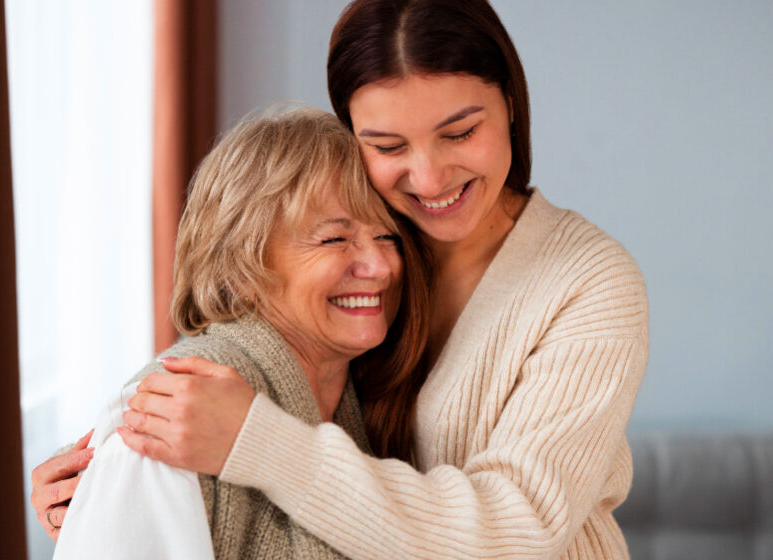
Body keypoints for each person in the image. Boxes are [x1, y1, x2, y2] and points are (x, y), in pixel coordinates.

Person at [33, 0, 649, 557]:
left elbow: (519, 528)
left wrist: (259, 443)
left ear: (511, 105)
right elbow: (256, 358)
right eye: (387, 145)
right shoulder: (377, 236)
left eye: (460, 132)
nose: (429, 179)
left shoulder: (589, 282)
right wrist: (104, 478)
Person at [40, 106, 430, 559]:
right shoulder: (164, 423)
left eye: (387, 237)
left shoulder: (368, 403)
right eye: (334, 239)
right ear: (240, 269)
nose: (382, 266)